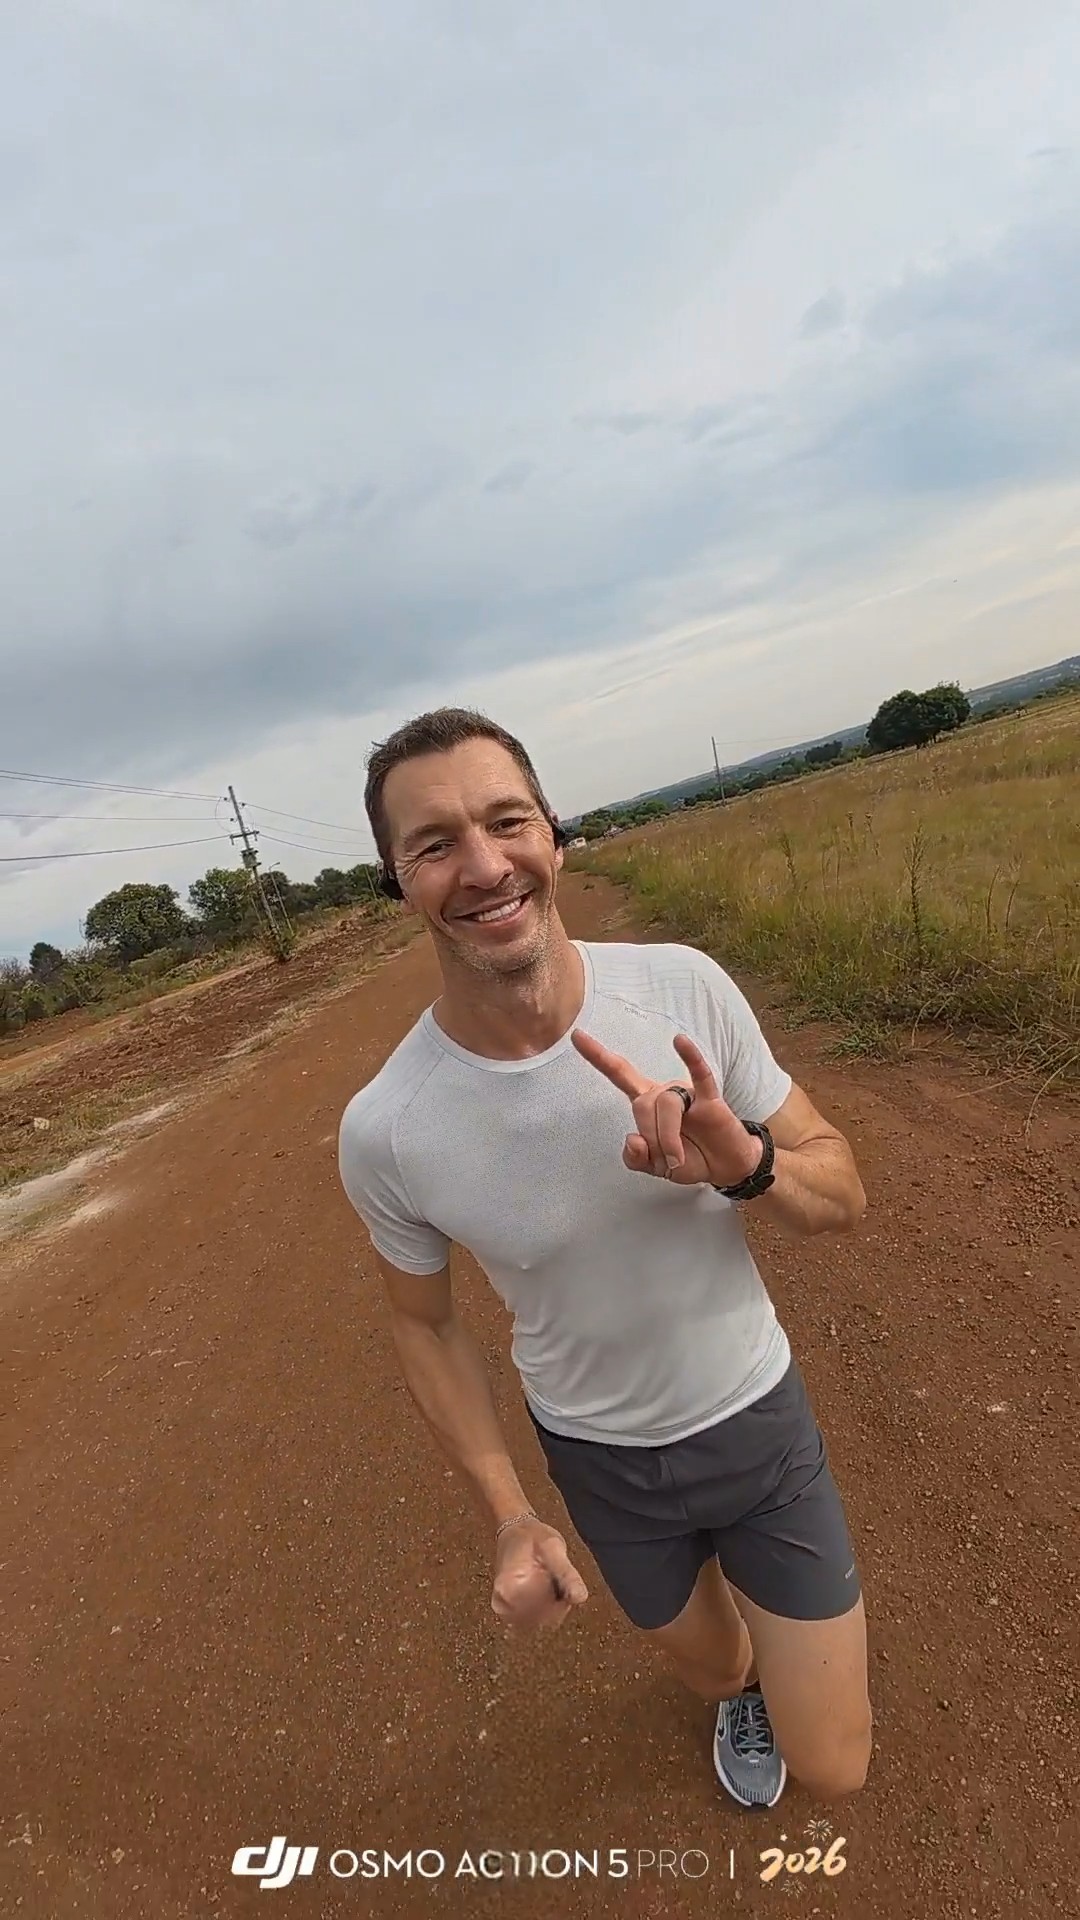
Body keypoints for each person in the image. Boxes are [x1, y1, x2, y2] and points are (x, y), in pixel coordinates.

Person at [338, 707, 872, 1810]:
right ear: (398, 881)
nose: (484, 867)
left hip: (756, 1420)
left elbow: (842, 1190)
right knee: (718, 1669)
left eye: (507, 821)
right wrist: (511, 1514)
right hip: (601, 1462)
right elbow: (422, 1321)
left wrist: (751, 1165)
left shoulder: (682, 991)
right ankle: (743, 1687)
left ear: (554, 834)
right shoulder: (389, 1126)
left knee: (832, 1766)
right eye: (435, 844)